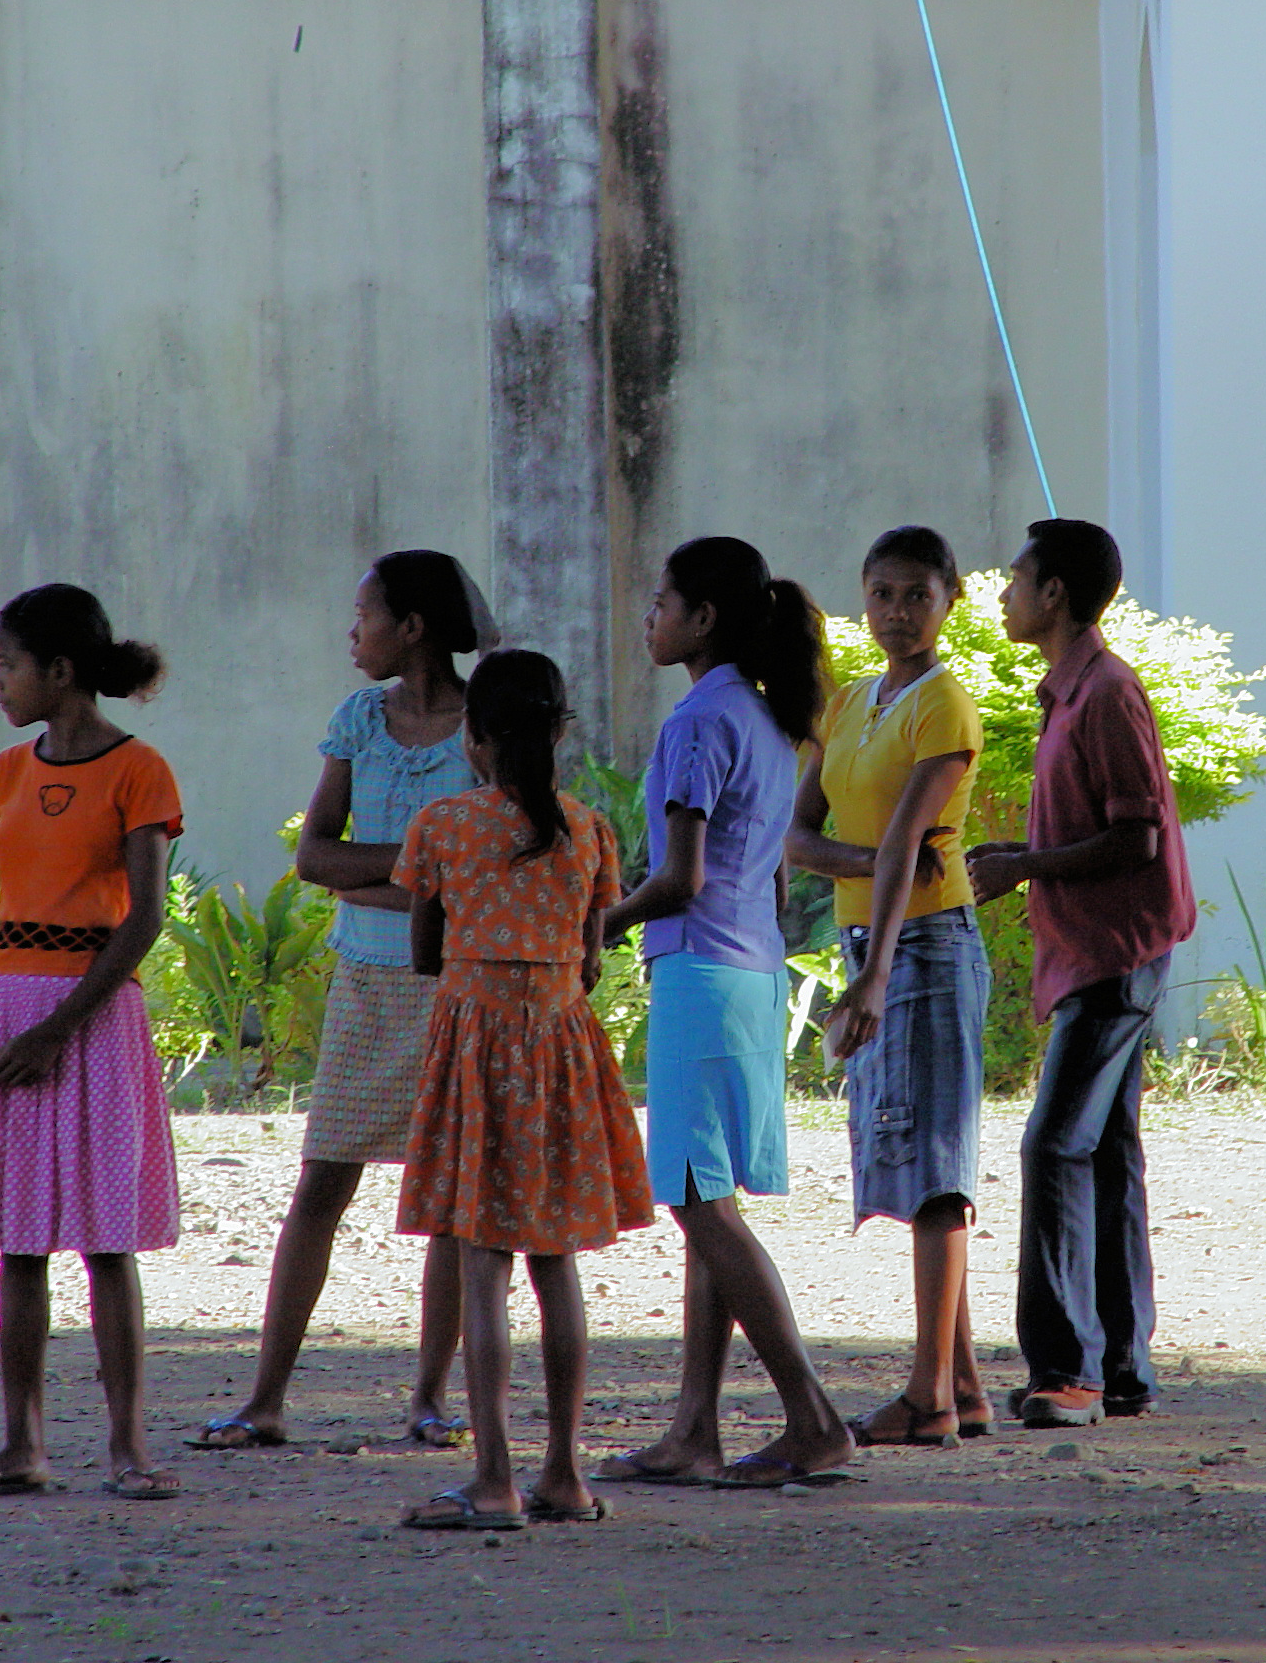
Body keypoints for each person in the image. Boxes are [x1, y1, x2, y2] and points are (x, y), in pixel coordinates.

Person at [192, 552, 494, 1452]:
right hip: (367, 982)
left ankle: (431, 1397)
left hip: (457, 987)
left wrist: (401, 875)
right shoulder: (358, 718)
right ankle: (266, 1397)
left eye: (362, 614)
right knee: (322, 1178)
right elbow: (316, 857)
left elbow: (490, 868)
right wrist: (429, 877)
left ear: (412, 628)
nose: (350, 632)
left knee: (449, 1197)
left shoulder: (486, 723)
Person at [594, 536, 856, 1490]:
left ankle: (813, 1417)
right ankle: (694, 1430)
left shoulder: (700, 722)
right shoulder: (765, 719)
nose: (651, 615)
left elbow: (679, 876)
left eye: (662, 601)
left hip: (701, 973)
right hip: (752, 972)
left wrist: (598, 927)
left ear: (704, 618)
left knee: (696, 1200)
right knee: (711, 1200)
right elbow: (768, 876)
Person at [0, 583, 186, 1502]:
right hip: (1, 1019)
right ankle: (21, 1446)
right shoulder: (7, 775)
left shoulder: (139, 771)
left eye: (8, 665)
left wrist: (58, 1028)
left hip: (90, 1024)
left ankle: (127, 1448)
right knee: (19, 1241)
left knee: (105, 1238)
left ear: (61, 672)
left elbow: (144, 918)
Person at [390, 650, 653, 1531]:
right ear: (561, 733)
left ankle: (494, 1480)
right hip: (563, 1053)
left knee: (482, 1266)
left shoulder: (441, 826)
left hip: (475, 1049)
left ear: (474, 740)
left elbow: (423, 952)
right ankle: (565, 1476)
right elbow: (589, 956)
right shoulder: (590, 832)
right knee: (557, 1264)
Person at [967, 519, 1193, 1430]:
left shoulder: (1105, 692)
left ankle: (1067, 1371)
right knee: (1104, 1154)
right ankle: (1121, 1367)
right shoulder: (1069, 691)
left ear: (1054, 593)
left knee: (1053, 1144)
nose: (1006, 593)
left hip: (1118, 952)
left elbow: (1135, 835)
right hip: (1100, 949)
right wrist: (1028, 857)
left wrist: (1025, 865)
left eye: (1017, 578)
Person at [788, 525, 993, 1446]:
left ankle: (929, 1398)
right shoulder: (848, 705)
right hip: (874, 933)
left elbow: (912, 842)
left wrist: (871, 976)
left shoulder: (944, 705)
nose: (897, 613)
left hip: (923, 946)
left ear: (951, 600)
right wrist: (880, 866)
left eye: (917, 595)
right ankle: (964, 1386)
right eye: (882, 594)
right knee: (906, 1151)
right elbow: (799, 838)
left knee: (934, 1167)